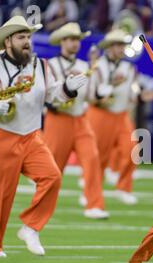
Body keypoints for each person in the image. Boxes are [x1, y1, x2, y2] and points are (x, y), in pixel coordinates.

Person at [0, 16, 87, 257]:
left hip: (30, 134)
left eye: (28, 37)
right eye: (21, 37)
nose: (27, 42)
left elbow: (53, 95)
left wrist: (69, 88)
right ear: (7, 41)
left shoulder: (40, 65)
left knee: (52, 176)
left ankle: (31, 226)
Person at [43, 22, 109, 219]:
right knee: (53, 167)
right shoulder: (51, 65)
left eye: (77, 40)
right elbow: (46, 92)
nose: (75, 43)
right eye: (71, 39)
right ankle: (43, 206)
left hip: (80, 119)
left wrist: (100, 91)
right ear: (62, 41)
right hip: (58, 119)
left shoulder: (83, 66)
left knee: (92, 159)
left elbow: (89, 95)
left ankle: (94, 204)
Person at [87, 29, 138, 205]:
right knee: (98, 157)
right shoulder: (98, 65)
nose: (120, 48)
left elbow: (131, 95)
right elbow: (93, 94)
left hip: (122, 114)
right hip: (100, 113)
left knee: (133, 150)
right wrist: (111, 84)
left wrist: (138, 98)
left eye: (122, 44)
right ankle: (92, 192)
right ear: (109, 47)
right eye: (117, 45)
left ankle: (123, 187)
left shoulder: (129, 67)